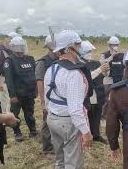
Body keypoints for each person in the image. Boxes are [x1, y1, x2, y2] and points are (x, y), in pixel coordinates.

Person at [44, 30, 93, 168]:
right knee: (73, 163)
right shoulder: (73, 74)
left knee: (60, 160)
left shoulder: (51, 68)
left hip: (52, 119)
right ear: (68, 49)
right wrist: (86, 132)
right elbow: (75, 109)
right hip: (68, 122)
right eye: (77, 45)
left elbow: (48, 98)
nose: (80, 48)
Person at [3, 36, 38, 142]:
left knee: (30, 113)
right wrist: (12, 95)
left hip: (29, 93)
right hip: (17, 95)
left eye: (21, 47)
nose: (20, 50)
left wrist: (35, 90)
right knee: (15, 115)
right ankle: (17, 133)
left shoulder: (30, 59)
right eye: (18, 47)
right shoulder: (9, 61)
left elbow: (35, 76)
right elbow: (9, 80)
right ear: (13, 47)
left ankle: (33, 131)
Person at [79, 40, 108, 144]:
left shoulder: (95, 63)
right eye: (87, 52)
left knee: (97, 115)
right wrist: (100, 70)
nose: (90, 54)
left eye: (90, 51)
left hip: (98, 94)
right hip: (87, 95)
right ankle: (87, 136)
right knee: (88, 115)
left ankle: (96, 135)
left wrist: (105, 71)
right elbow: (87, 78)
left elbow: (103, 75)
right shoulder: (78, 65)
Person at [35, 35, 58, 155]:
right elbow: (40, 83)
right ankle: (47, 148)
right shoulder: (42, 62)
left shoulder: (60, 60)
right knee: (47, 121)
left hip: (58, 97)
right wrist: (43, 102)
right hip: (48, 98)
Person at [100, 36, 125, 117]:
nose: (115, 46)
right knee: (107, 98)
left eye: (116, 45)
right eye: (113, 45)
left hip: (119, 79)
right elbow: (103, 64)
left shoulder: (122, 56)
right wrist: (112, 56)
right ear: (109, 45)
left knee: (120, 98)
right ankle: (103, 114)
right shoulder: (104, 55)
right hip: (108, 79)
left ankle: (118, 114)